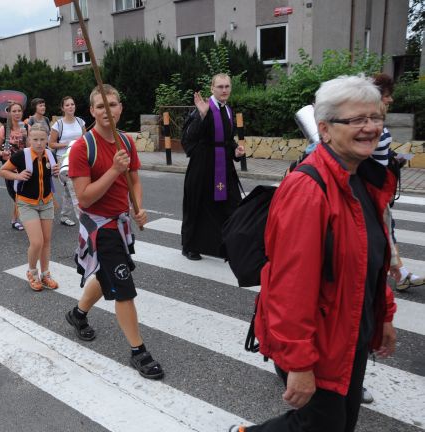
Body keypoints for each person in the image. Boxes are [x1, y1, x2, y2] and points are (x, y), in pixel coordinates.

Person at [230, 75, 398, 432]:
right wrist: (299, 363)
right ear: (324, 129)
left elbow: (369, 260)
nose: (370, 128)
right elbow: (290, 286)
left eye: (375, 117)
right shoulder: (309, 189)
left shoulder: (362, 179)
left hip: (349, 332)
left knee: (336, 424)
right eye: (356, 120)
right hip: (318, 343)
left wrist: (385, 314)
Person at [65, 84, 163, 380]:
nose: (108, 110)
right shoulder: (83, 147)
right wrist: (112, 171)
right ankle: (139, 352)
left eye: (113, 103)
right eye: (100, 106)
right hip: (99, 225)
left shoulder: (126, 142)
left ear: (120, 107)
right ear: (92, 111)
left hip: (121, 222)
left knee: (107, 275)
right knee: (122, 284)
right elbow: (84, 198)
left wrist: (139, 207)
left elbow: (134, 182)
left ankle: (77, 314)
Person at [181, 73, 245, 260]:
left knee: (231, 205)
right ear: (212, 89)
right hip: (202, 167)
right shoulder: (203, 108)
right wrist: (201, 115)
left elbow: (227, 139)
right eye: (220, 87)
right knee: (197, 206)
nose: (224, 90)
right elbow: (188, 138)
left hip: (224, 166)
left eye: (227, 86)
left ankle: (225, 245)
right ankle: (190, 246)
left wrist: (236, 151)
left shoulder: (228, 110)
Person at [372, 73, 423, 291]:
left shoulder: (376, 125)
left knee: (387, 233)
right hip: (372, 194)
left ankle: (399, 274)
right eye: (387, 95)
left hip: (378, 193)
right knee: (383, 236)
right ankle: (395, 276)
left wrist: (392, 160)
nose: (391, 100)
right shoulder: (370, 127)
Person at [0, 123, 60, 291]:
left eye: (42, 139)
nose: (39, 143)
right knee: (37, 242)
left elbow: (55, 175)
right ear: (29, 140)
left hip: (46, 202)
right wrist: (18, 175)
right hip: (27, 203)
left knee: (46, 241)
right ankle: (32, 272)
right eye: (35, 139)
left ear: (47, 139)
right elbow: (3, 171)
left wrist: (57, 171)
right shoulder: (21, 156)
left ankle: (45, 274)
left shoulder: (51, 154)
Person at [49, 96, 86, 226]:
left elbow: (85, 139)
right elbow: (51, 144)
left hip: (79, 157)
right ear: (62, 108)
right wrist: (66, 144)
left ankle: (64, 216)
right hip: (63, 159)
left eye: (72, 104)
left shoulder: (81, 122)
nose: (70, 107)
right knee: (72, 186)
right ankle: (82, 218)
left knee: (69, 189)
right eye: (67, 105)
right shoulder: (58, 125)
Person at [0, 101, 28, 231]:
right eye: (14, 111)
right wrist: (2, 152)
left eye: (19, 111)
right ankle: (17, 219)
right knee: (15, 195)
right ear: (8, 113)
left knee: (21, 194)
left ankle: (16, 220)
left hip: (24, 166)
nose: (17, 113)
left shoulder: (26, 128)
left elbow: (30, 148)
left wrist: (27, 137)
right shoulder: (4, 129)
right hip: (9, 167)